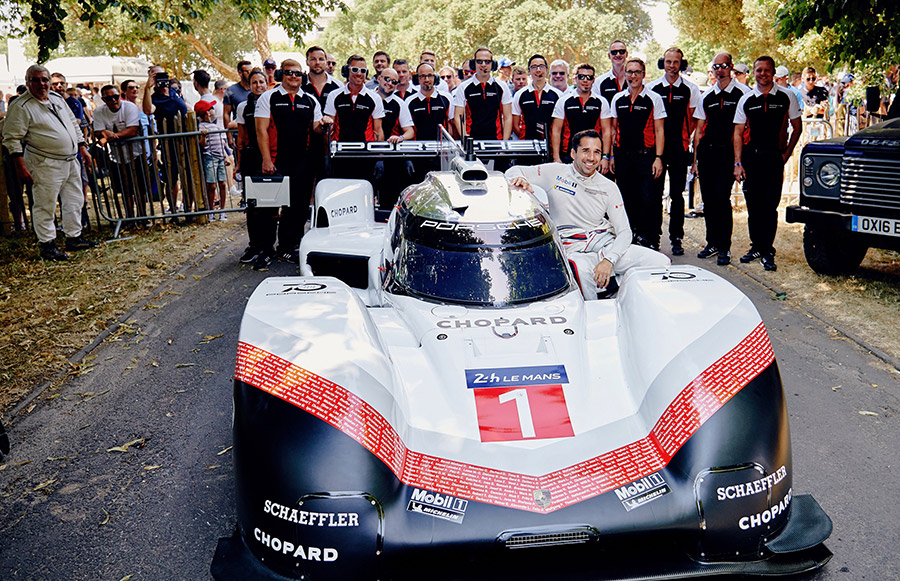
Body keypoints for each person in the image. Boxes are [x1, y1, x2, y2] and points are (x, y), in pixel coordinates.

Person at [505, 129, 670, 299]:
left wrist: (609, 260)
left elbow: (624, 232)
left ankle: (624, 301)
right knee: (582, 271)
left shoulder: (609, 187)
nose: (591, 158)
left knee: (661, 263)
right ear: (573, 153)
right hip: (574, 250)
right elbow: (514, 171)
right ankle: (594, 315)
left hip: (605, 247)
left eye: (597, 152)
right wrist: (521, 179)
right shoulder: (555, 172)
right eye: (585, 151)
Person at [2, 64, 96, 260]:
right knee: (45, 204)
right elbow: (12, 139)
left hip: (70, 160)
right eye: (35, 80)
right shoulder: (21, 106)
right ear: (27, 82)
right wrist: (20, 166)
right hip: (44, 162)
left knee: (75, 199)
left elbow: (72, 123)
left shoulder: (56, 98)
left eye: (44, 80)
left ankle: (74, 236)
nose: (41, 84)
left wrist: (83, 148)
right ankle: (47, 244)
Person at [733, 56, 802, 272]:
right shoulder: (746, 99)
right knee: (753, 206)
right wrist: (738, 162)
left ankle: (767, 251)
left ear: (773, 73)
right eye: (759, 70)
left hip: (774, 158)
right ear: (754, 73)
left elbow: (797, 127)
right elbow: (737, 133)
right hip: (751, 158)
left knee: (770, 206)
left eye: (767, 70)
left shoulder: (786, 96)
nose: (763, 74)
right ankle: (756, 246)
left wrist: (787, 154)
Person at [257, 59, 323, 263]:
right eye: (288, 73)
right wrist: (266, 160)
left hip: (303, 163)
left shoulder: (311, 100)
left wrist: (324, 124)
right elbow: (261, 130)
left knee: (298, 208)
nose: (293, 77)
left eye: (297, 73)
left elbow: (316, 129)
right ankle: (265, 249)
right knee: (268, 209)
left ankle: (288, 246)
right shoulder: (269, 97)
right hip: (276, 161)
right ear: (281, 75)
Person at [691, 52, 751, 265]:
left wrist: (739, 161)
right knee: (709, 200)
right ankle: (712, 243)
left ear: (731, 67)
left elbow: (744, 130)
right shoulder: (706, 96)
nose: (720, 70)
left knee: (722, 199)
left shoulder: (744, 94)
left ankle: (724, 246)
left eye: (724, 65)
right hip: (708, 153)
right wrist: (695, 161)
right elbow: (698, 130)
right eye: (716, 66)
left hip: (729, 154)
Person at [647, 47, 701, 256]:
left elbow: (695, 119)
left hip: (679, 149)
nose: (672, 66)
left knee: (677, 195)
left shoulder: (690, 89)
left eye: (675, 62)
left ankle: (676, 238)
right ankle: (654, 237)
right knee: (655, 194)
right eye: (668, 61)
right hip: (656, 150)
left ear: (681, 64)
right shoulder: (652, 88)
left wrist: (686, 137)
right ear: (663, 63)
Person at [608, 58, 667, 250]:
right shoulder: (618, 99)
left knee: (648, 198)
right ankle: (630, 237)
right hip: (623, 156)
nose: (633, 76)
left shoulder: (654, 98)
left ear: (644, 74)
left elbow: (659, 131)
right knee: (627, 198)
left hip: (646, 156)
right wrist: (611, 156)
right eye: (629, 72)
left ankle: (650, 238)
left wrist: (658, 158)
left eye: (637, 72)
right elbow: (613, 129)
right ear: (624, 74)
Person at [236, 70, 278, 269]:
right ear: (249, 85)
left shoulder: (273, 101)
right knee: (252, 206)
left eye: (261, 81)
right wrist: (239, 162)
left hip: (269, 157)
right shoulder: (243, 107)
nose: (258, 85)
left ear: (267, 83)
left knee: (269, 206)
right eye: (254, 82)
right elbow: (241, 137)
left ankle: (268, 248)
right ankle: (255, 245)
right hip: (251, 159)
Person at [323, 55, 385, 183]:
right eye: (355, 69)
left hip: (366, 155)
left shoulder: (374, 98)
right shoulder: (334, 96)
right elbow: (329, 129)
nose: (359, 74)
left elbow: (378, 131)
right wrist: (327, 155)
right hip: (340, 155)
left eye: (363, 71)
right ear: (347, 71)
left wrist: (380, 158)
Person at [94, 84, 146, 218]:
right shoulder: (99, 111)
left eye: (116, 97)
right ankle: (129, 217)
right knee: (124, 189)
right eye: (109, 98)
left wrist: (112, 136)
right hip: (115, 156)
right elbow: (98, 132)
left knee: (139, 188)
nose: (113, 100)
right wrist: (104, 133)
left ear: (120, 96)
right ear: (104, 99)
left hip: (136, 154)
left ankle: (143, 216)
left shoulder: (130, 107)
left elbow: (133, 130)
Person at [551, 63, 612, 166]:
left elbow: (607, 131)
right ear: (576, 79)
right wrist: (556, 157)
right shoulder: (564, 101)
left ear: (593, 80)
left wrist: (605, 157)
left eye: (589, 77)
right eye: (581, 77)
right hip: (569, 154)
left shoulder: (601, 102)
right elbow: (556, 131)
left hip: (594, 156)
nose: (585, 80)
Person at [373, 66, 415, 209]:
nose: (390, 83)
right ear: (379, 78)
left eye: (394, 82)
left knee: (388, 201)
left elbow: (410, 130)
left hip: (391, 158)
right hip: (367, 155)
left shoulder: (399, 104)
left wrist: (401, 137)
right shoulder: (368, 98)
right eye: (387, 79)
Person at [452, 47, 512, 140]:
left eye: (487, 62)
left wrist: (504, 145)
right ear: (473, 64)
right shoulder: (464, 87)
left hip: (496, 141)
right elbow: (457, 117)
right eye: (479, 61)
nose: (483, 65)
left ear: (493, 64)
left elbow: (508, 117)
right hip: (472, 142)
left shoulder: (502, 87)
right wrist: (466, 141)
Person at [511, 54, 564, 141]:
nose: (538, 70)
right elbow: (515, 124)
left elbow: (560, 125)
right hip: (527, 146)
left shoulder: (558, 95)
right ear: (529, 71)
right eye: (534, 67)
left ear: (547, 70)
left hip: (550, 147)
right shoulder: (520, 94)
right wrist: (525, 140)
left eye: (541, 66)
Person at [195, 99, 229, 221]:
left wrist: (225, 155)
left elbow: (221, 142)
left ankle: (223, 210)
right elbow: (202, 145)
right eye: (211, 109)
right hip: (210, 157)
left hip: (220, 157)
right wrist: (203, 136)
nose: (213, 110)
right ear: (207, 113)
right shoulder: (201, 127)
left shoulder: (215, 126)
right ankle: (211, 210)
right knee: (212, 185)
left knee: (223, 184)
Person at [593, 40, 628, 105]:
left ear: (627, 54)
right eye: (614, 52)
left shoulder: (635, 80)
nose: (618, 55)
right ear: (609, 55)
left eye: (621, 51)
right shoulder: (599, 82)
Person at [223, 60, 253, 128]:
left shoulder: (257, 89)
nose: (250, 74)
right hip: (238, 131)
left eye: (251, 71)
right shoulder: (230, 91)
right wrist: (229, 137)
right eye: (247, 71)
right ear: (240, 72)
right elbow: (226, 114)